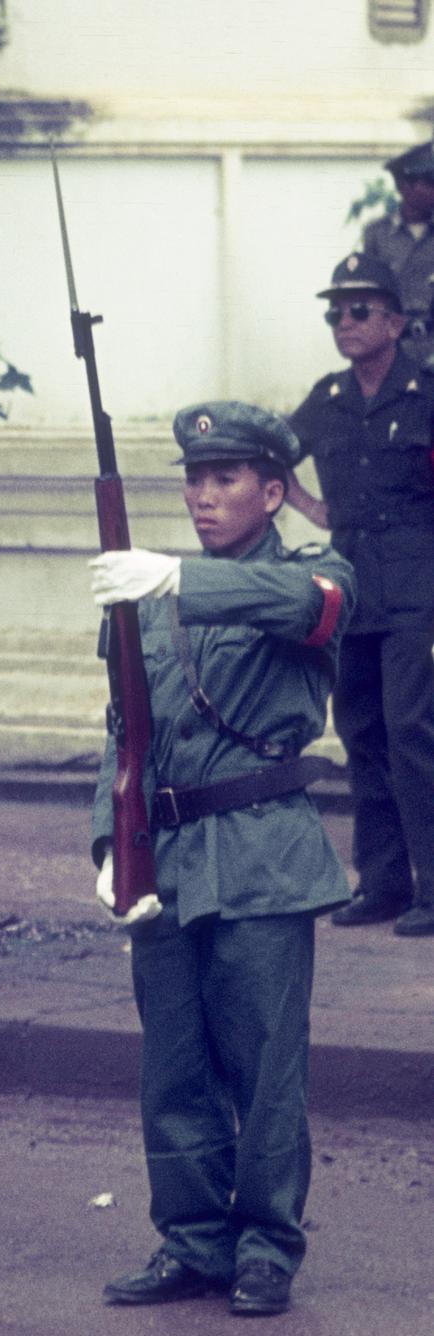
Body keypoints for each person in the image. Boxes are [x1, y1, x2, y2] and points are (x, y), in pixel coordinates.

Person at [89, 401, 353, 1318]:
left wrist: (178, 582)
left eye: (227, 479)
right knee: (174, 1067)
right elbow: (123, 730)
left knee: (264, 1065)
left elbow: (303, 611)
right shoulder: (152, 591)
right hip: (166, 853)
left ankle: (268, 1244)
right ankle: (193, 1239)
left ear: (274, 492)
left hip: (261, 853)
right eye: (194, 480)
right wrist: (105, 842)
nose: (204, 496)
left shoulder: (313, 573)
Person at [288, 253, 434, 938]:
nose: (343, 323)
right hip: (350, 588)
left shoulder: (426, 393)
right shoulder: (328, 398)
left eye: (359, 310)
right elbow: (272, 454)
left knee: (413, 731)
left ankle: (432, 886)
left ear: (396, 322)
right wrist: (314, 509)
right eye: (334, 312)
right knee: (363, 734)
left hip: (416, 586)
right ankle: (382, 884)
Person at [359, 142, 434, 363]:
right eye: (429, 182)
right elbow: (371, 294)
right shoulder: (377, 234)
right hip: (395, 349)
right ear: (404, 186)